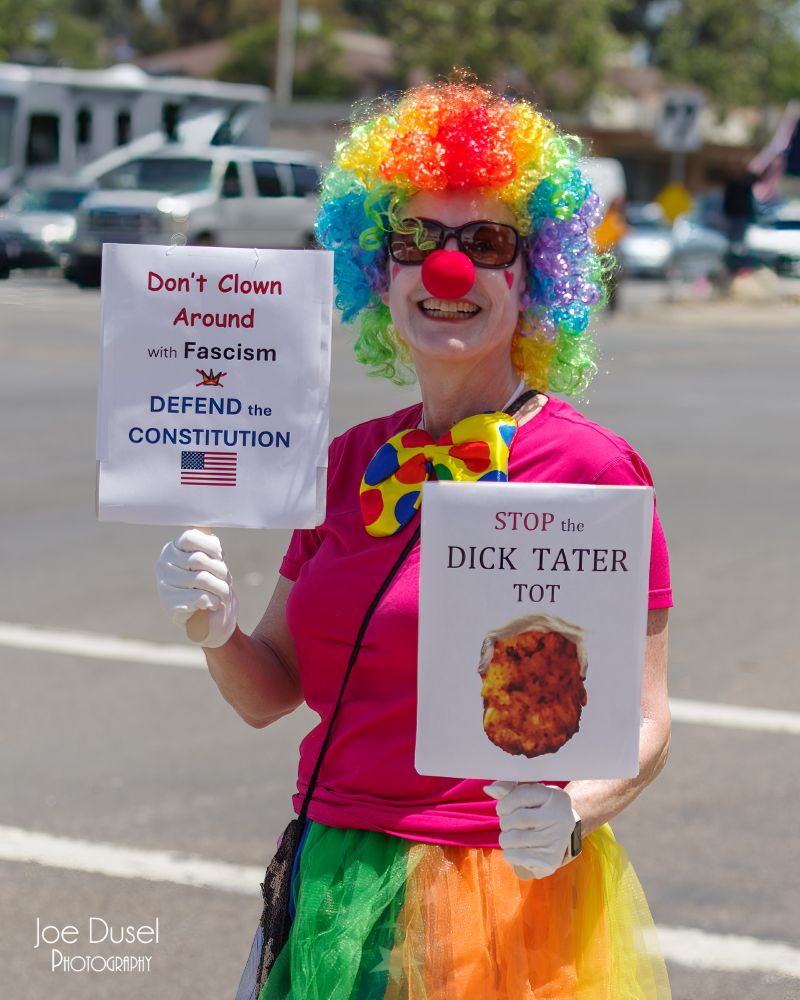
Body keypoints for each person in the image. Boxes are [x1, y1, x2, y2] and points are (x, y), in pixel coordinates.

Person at [156, 79, 673, 999]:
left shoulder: (591, 469)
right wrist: (215, 627)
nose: (448, 272)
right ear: (379, 272)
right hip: (333, 873)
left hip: (497, 892)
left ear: (534, 274)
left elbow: (645, 723)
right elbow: (272, 692)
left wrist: (571, 812)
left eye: (486, 243)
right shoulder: (351, 461)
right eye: (416, 244)